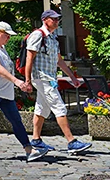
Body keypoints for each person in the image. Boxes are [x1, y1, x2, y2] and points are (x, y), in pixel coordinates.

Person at [0, 22, 49, 162]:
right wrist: (16, 81)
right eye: (7, 35)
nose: (9, 39)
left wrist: (19, 82)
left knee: (16, 121)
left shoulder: (1, 48)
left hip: (4, 92)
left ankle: (29, 150)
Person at [24, 10, 92, 154]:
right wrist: (27, 80)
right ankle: (71, 141)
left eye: (58, 19)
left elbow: (59, 61)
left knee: (42, 109)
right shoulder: (38, 35)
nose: (57, 21)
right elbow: (30, 58)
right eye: (53, 19)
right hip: (41, 78)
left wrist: (72, 77)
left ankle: (36, 140)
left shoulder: (53, 37)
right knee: (59, 107)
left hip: (49, 78)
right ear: (45, 20)